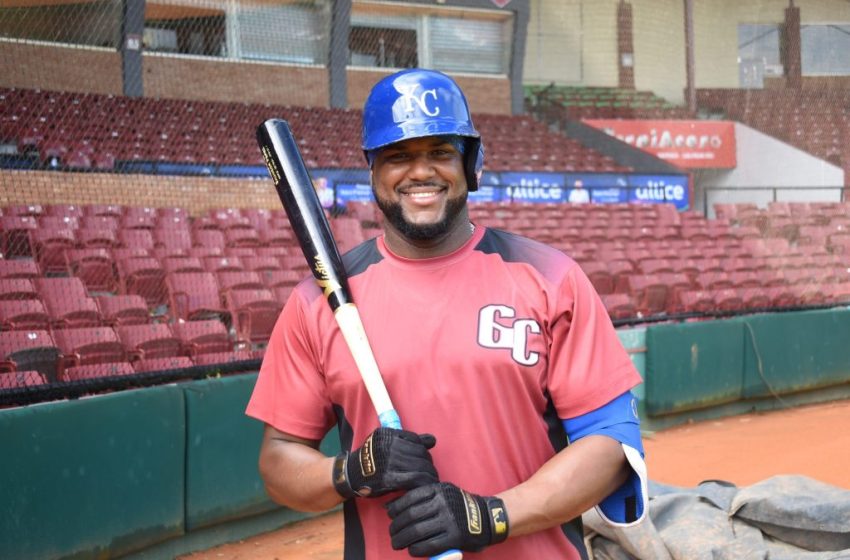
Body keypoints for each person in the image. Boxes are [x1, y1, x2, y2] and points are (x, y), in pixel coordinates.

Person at [246, 68, 648, 559]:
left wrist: (489, 515)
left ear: (471, 165)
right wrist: (351, 470)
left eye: (440, 152)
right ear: (373, 172)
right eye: (398, 156)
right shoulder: (319, 299)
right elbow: (278, 461)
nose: (420, 172)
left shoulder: (549, 276)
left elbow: (610, 447)